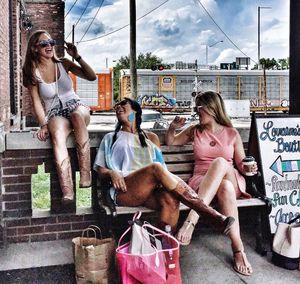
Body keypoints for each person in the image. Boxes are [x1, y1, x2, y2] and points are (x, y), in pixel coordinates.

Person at [93, 97, 235, 234]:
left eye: (123, 104)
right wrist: (111, 173)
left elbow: (162, 168)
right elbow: (100, 168)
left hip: (150, 189)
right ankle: (208, 213)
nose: (118, 106)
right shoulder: (111, 137)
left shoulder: (151, 138)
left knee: (171, 201)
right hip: (125, 190)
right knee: (155, 168)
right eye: (116, 106)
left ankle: (164, 250)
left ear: (135, 112)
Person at [165, 91, 257, 276]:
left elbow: (240, 164)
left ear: (211, 108)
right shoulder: (195, 130)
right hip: (202, 183)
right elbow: (171, 141)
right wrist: (172, 127)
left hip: (230, 176)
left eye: (199, 107)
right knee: (225, 188)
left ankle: (192, 219)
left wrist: (249, 169)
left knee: (221, 163)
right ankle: (238, 250)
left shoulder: (232, 133)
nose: (196, 111)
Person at [23, 30, 97, 203]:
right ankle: (67, 191)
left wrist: (76, 56)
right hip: (56, 113)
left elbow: (91, 77)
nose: (49, 46)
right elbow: (36, 102)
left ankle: (85, 176)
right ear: (34, 49)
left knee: (77, 117)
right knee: (56, 133)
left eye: (51, 42)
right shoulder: (32, 72)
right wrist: (43, 124)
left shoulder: (63, 63)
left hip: (76, 106)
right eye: (44, 44)